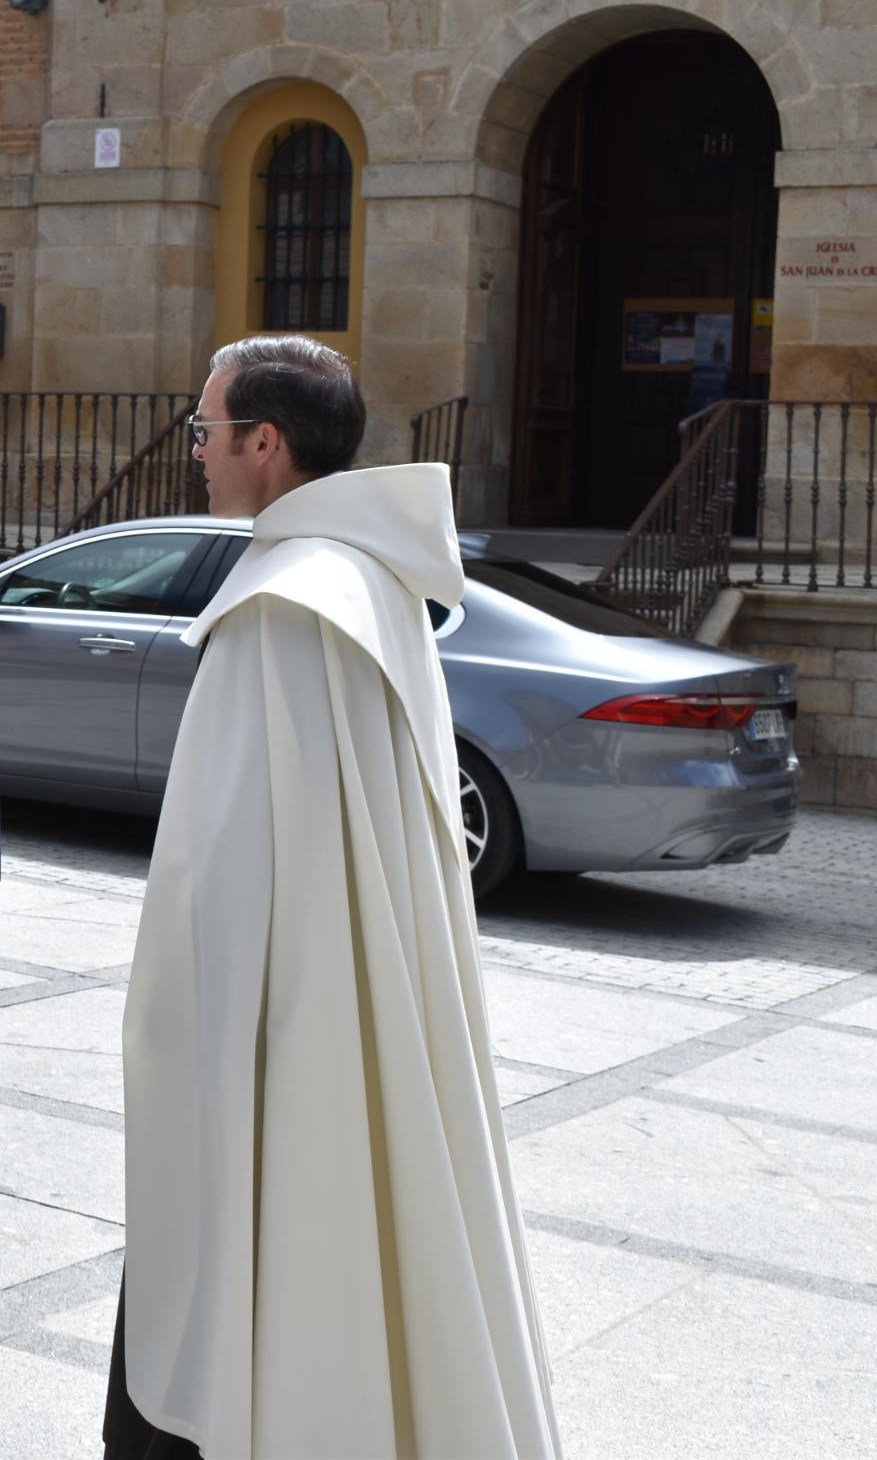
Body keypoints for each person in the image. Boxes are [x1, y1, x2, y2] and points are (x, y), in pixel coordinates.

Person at [108, 338, 561, 1460]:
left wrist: (175, 1043)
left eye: (205, 432)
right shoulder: (374, 579)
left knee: (237, 1287)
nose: (196, 453)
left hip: (281, 1045)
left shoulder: (283, 604)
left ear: (267, 445)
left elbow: (225, 892)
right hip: (357, 1008)